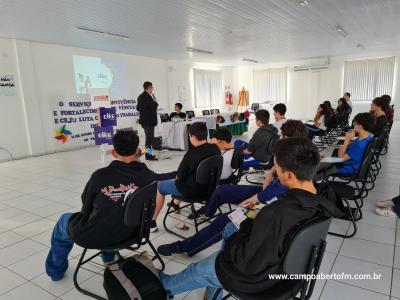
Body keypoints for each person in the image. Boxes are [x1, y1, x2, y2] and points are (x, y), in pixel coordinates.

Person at [159, 137, 340, 300]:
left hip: (257, 279)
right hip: (290, 268)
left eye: (277, 167)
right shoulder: (325, 199)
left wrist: (248, 226)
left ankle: (164, 287)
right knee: (229, 228)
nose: (274, 169)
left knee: (197, 269)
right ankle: (214, 290)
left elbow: (247, 262)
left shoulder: (276, 213)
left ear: (289, 175)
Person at [157, 120, 308, 258]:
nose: (280, 138)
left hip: (272, 203)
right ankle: (206, 212)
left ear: (289, 139)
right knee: (222, 191)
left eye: (283, 136)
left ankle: (184, 246)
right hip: (267, 191)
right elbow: (276, 168)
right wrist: (270, 174)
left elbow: (264, 197)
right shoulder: (293, 152)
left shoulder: (294, 168)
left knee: (223, 222)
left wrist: (242, 207)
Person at [45, 130, 176, 281]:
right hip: (133, 235)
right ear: (138, 151)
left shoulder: (100, 176)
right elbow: (161, 177)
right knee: (114, 214)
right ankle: (108, 256)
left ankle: (55, 271)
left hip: (97, 235)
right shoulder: (148, 176)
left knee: (65, 220)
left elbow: (85, 208)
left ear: (113, 153)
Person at [151, 122, 220, 232]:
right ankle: (175, 204)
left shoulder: (192, 153)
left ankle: (152, 223)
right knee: (184, 181)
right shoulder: (215, 148)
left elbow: (179, 177)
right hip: (210, 189)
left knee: (160, 186)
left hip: (193, 192)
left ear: (192, 136)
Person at [137, 81, 159, 161]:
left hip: (144, 121)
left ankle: (146, 154)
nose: (153, 89)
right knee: (149, 139)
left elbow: (138, 108)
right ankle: (146, 155)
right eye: (152, 87)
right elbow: (153, 107)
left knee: (148, 139)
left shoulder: (140, 96)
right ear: (149, 88)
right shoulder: (148, 97)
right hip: (148, 122)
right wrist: (155, 102)